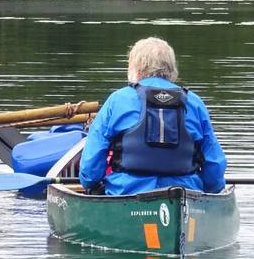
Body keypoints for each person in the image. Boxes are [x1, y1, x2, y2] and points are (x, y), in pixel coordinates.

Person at [79, 37, 227, 196]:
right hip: (185, 195)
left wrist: (92, 185)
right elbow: (214, 169)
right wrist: (213, 189)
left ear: (136, 67)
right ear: (171, 68)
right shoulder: (195, 103)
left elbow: (90, 170)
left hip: (125, 195)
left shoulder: (117, 100)